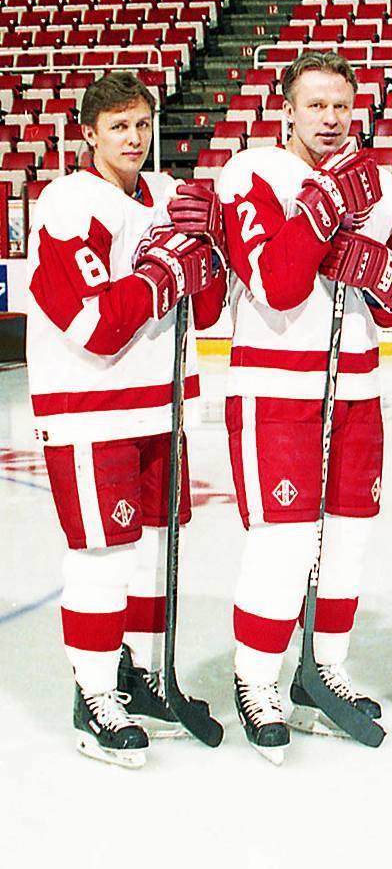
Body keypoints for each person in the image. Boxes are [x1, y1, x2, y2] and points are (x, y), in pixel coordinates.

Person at [211, 51, 392, 764]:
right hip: (276, 390)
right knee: (284, 542)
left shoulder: (381, 185)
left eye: (341, 106)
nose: (330, 119)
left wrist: (381, 272)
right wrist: (327, 206)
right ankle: (256, 678)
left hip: (356, 386)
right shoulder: (252, 172)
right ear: (287, 109)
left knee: (348, 539)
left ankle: (321, 670)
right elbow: (276, 283)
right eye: (315, 105)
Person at [25, 71, 226, 767]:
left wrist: (210, 249)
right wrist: (165, 271)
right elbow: (95, 326)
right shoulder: (66, 204)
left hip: (160, 405)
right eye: (118, 127)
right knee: (103, 556)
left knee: (156, 552)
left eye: (142, 124)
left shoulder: (167, 195)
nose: (134, 138)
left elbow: (207, 309)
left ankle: (139, 674)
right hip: (89, 410)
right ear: (89, 133)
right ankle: (93, 695)